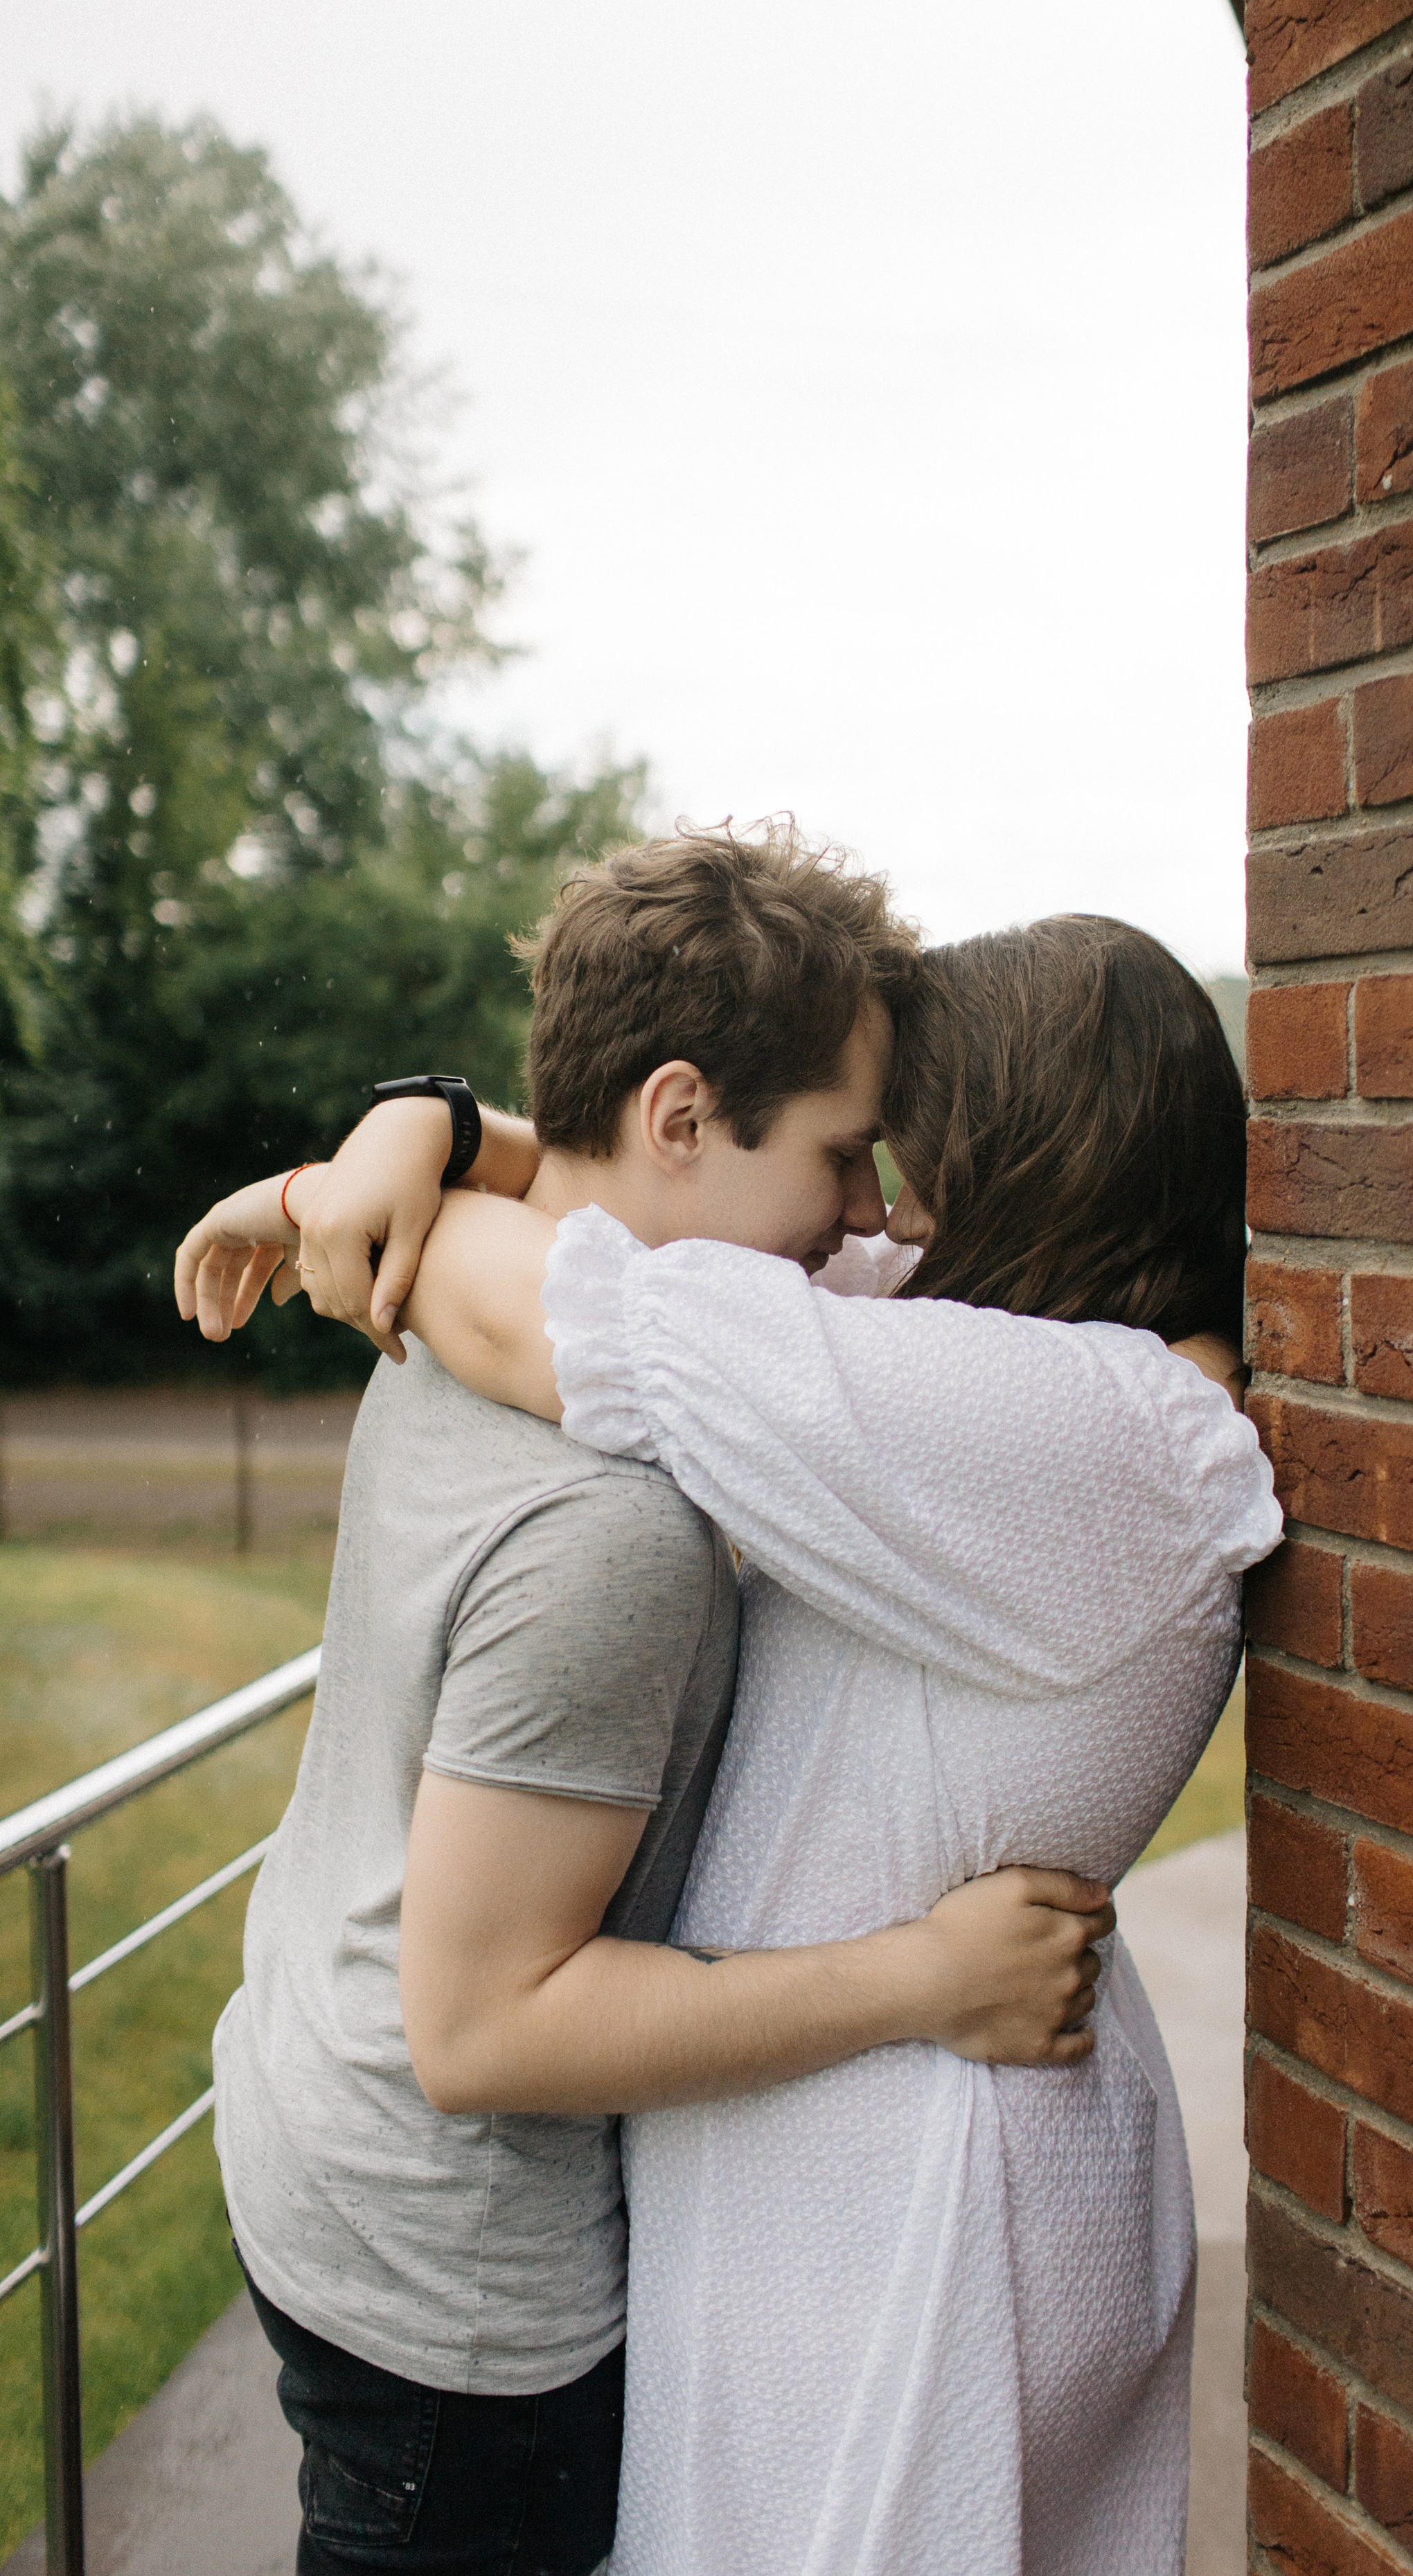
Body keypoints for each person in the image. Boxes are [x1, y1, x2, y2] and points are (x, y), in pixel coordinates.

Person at [176, 830, 1116, 2576]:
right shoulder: (620, 1523)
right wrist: (921, 1981)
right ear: (681, 1115)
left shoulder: (480, 1256)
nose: (863, 1215)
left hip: (313, 2113)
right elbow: (486, 2030)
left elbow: (522, 1170)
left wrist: (407, 1130)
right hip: (461, 2310)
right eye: (840, 1155)